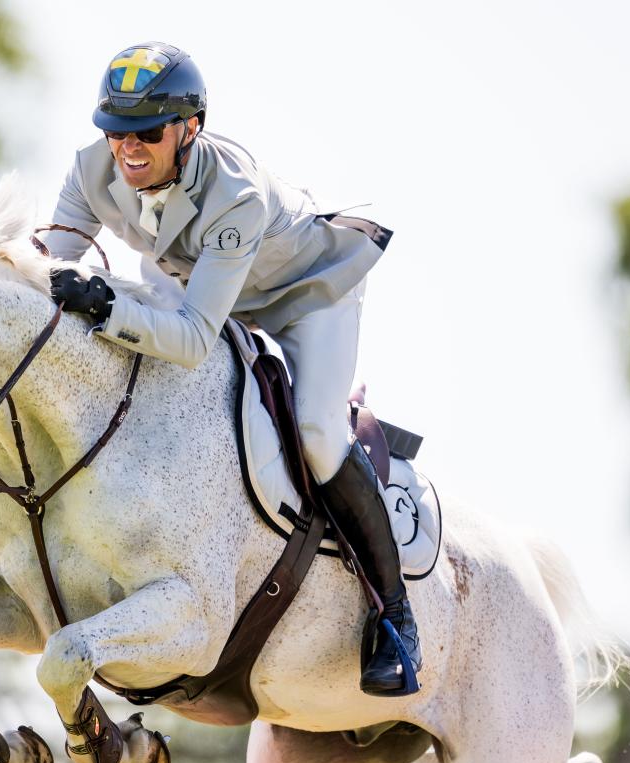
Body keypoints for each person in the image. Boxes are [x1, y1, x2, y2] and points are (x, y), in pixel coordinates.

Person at [42, 41, 421, 696]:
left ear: (189, 128)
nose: (127, 150)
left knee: (315, 431)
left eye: (146, 134)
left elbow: (190, 340)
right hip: (203, 290)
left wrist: (104, 305)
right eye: (115, 132)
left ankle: (395, 615)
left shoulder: (234, 195)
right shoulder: (88, 170)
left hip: (305, 297)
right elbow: (49, 270)